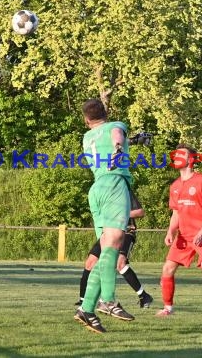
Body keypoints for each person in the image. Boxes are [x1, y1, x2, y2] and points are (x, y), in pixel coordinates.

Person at [73, 98, 134, 334]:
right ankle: (108, 300)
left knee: (105, 251)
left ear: (86, 119)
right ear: (106, 112)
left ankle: (87, 308)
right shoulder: (115, 126)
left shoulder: (87, 137)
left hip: (96, 189)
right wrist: (119, 149)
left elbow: (110, 139)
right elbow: (117, 134)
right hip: (114, 185)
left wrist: (130, 142)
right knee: (114, 245)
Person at [155, 144, 202, 319]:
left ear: (190, 160)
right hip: (184, 236)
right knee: (167, 268)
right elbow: (176, 213)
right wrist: (170, 232)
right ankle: (168, 308)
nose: (176, 157)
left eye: (180, 155)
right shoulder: (174, 186)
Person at [75, 189, 153, 309]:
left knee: (120, 263)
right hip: (107, 233)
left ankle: (144, 296)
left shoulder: (124, 191)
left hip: (125, 232)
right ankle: (83, 300)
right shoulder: (102, 191)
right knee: (90, 262)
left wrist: (120, 213)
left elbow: (140, 212)